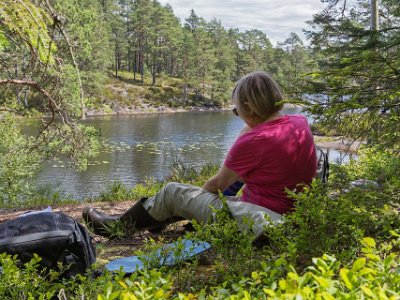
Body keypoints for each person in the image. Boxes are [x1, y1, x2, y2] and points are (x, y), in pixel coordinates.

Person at [82, 71, 317, 241]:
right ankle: (158, 218)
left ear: (250, 107)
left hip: (261, 221)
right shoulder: (299, 122)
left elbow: (218, 184)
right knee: (201, 195)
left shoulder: (255, 140)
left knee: (174, 192)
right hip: (288, 216)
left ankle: (116, 228)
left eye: (237, 110)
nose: (238, 116)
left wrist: (195, 201)